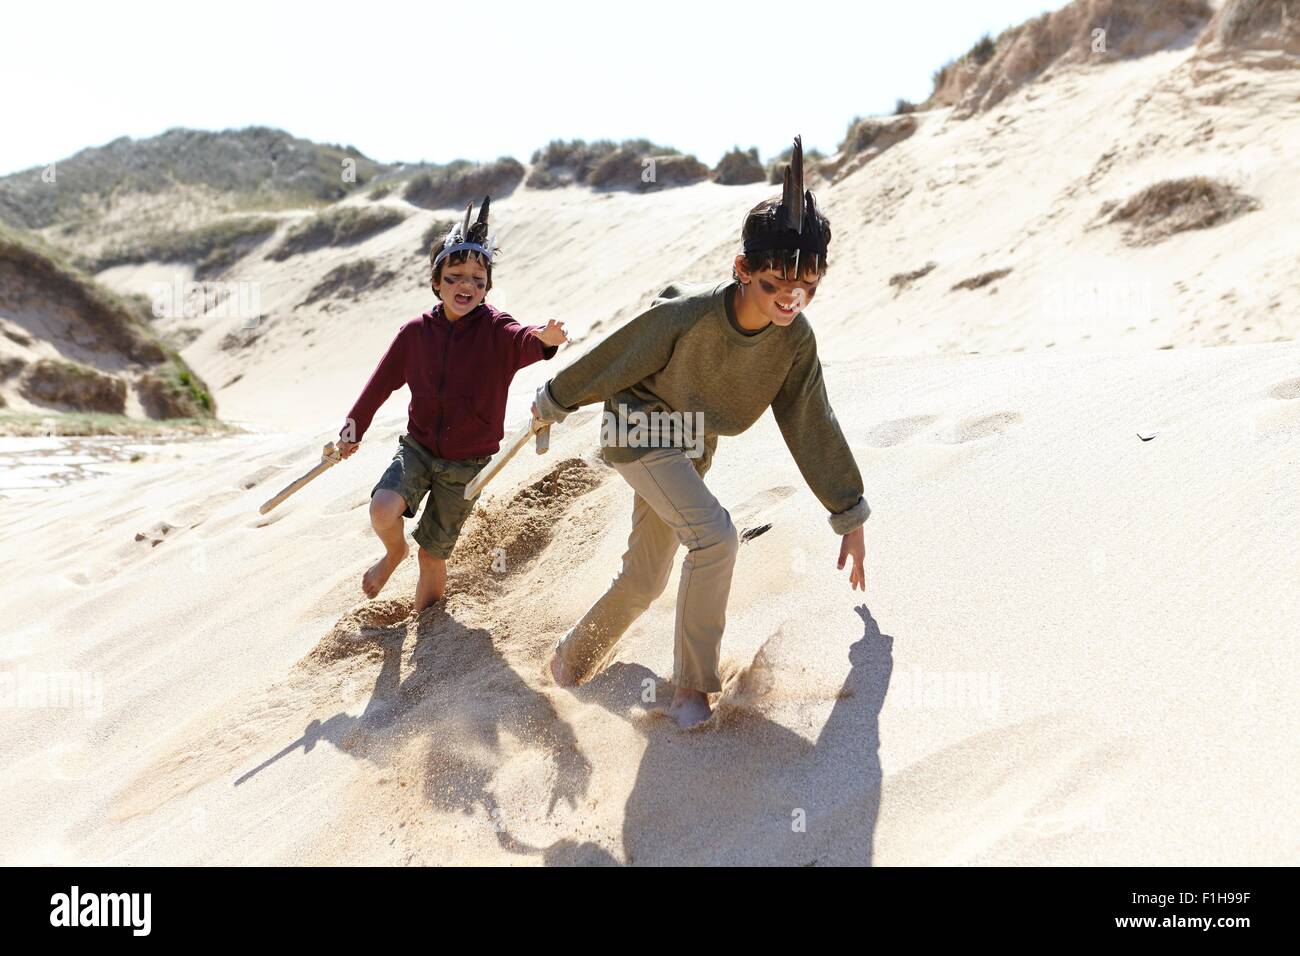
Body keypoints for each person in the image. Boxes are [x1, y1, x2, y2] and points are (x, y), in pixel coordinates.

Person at [533, 137, 868, 728]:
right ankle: (693, 690)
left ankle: (567, 663)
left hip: (690, 447)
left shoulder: (795, 341)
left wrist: (849, 510)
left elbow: (811, 419)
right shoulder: (686, 315)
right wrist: (554, 400)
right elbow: (617, 355)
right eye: (775, 285)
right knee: (715, 538)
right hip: (638, 429)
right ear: (742, 270)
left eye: (806, 288)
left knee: (645, 577)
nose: (791, 300)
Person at [336, 196, 568, 612]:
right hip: (419, 448)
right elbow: (379, 384)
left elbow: (522, 337)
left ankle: (425, 626)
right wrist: (352, 430)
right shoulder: (414, 334)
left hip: (468, 463)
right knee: (382, 510)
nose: (467, 286)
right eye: (456, 275)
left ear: (487, 287)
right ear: (437, 281)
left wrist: (543, 339)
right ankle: (393, 554)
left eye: (478, 279)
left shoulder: (496, 331)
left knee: (433, 555)